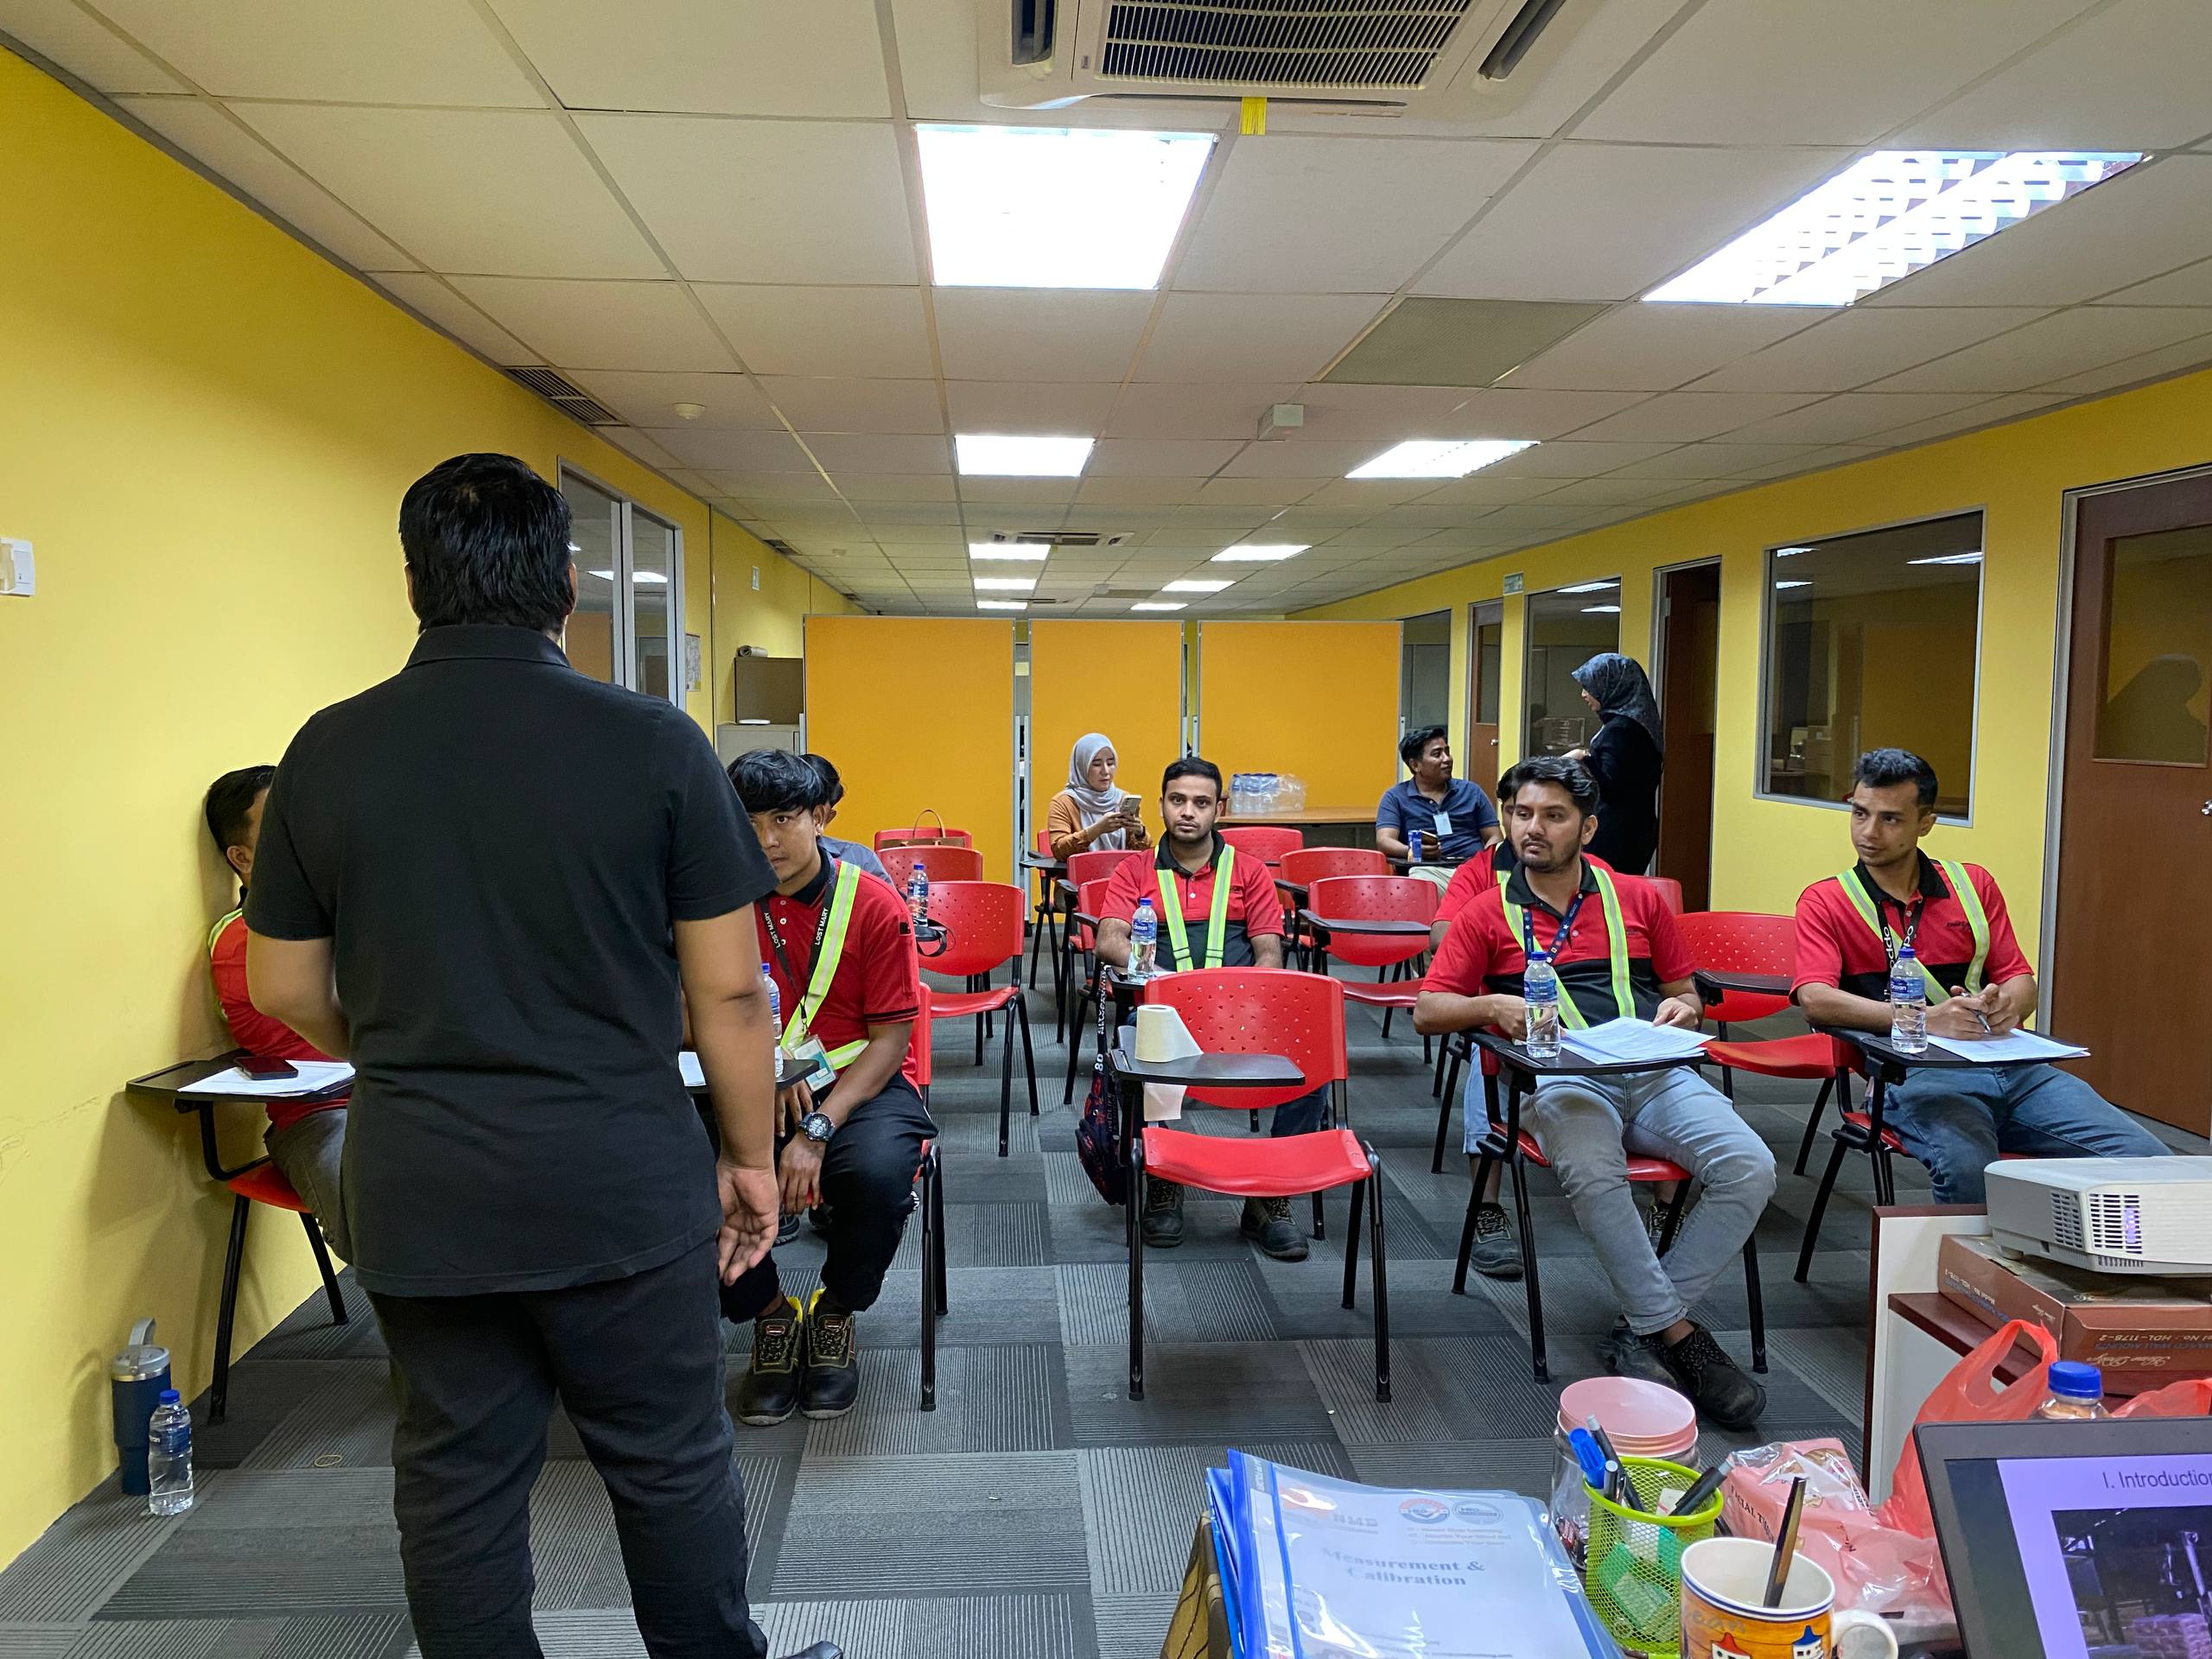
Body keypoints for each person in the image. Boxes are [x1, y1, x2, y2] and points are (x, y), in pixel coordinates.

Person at [243, 453, 834, 1659]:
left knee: (456, 1478)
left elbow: (286, 987)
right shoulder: (655, 743)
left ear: (413, 582)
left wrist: (408, 1049)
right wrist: (747, 1159)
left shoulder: (327, 749)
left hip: (419, 1179)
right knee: (668, 1463)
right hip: (613, 1173)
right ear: (568, 583)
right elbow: (729, 991)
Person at [1414, 756, 1773, 1428]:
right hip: (1558, 1080)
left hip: (1652, 1071)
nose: (1533, 828)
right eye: (1522, 814)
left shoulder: (1638, 899)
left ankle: (1647, 1325)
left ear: (1587, 828)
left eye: (1553, 816)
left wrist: (1685, 1010)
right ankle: (1681, 1338)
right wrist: (1491, 1004)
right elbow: (1428, 1011)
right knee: (1594, 1171)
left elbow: (1684, 992)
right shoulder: (1487, 912)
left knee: (1750, 1167)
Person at [1792, 747, 2165, 1205]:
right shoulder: (1826, 901)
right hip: (1914, 1075)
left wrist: (2008, 1005)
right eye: (1860, 814)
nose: (1868, 833)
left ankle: (2078, 1249)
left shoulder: (1972, 885)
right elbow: (1816, 999)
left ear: (1926, 823)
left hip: (2014, 1067)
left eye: (1890, 819)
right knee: (1971, 1173)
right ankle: (1974, 1255)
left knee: (2152, 1163)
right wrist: (1925, 1020)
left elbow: (2020, 980)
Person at [723, 748, 932, 1426]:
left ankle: (835, 1308)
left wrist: (817, 1129)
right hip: (750, 1078)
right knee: (680, 1169)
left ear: (820, 818)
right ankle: (769, 1313)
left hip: (857, 1083)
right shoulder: (718, 904)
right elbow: (694, 1014)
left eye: (783, 819)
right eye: (749, 822)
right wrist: (766, 1071)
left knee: (876, 1174)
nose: (766, 840)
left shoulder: (873, 904)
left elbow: (891, 1041)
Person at [1096, 756, 1324, 1262]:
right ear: (1161, 804)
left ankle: (1269, 1194)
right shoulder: (1135, 870)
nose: (1188, 812)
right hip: (1163, 1012)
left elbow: (1269, 954)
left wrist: (1249, 1005)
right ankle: (1162, 1178)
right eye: (1177, 800)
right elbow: (1109, 941)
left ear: (1218, 809)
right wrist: (1163, 979)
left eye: (1201, 803)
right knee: (1135, 1039)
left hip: (1240, 1015)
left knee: (1314, 1059)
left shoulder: (1249, 871)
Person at [202, 765, 351, 1262]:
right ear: (242, 857)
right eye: (279, 825)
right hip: (319, 1117)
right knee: (379, 1210)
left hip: (395, 1098)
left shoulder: (340, 911)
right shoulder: (241, 939)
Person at [1569, 652, 1664, 874]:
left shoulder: (1622, 731)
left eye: (1590, 687)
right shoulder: (1637, 725)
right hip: (1633, 829)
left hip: (1616, 835)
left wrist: (1582, 759)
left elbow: (1613, 789)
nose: (1584, 694)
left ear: (1612, 686)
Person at [1375, 724, 1500, 890]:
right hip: (1429, 870)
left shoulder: (1471, 791)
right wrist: (1414, 851)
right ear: (1415, 765)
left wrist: (1484, 863)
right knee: (1421, 881)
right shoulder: (1395, 797)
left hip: (1473, 870)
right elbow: (1385, 841)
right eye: (1437, 754)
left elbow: (1495, 836)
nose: (1447, 759)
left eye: (1447, 752)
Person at [1047, 733, 1150, 857]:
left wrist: (1139, 833)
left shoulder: (1122, 799)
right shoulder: (1064, 802)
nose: (1105, 771)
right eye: (1096, 764)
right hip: (1081, 870)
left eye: (1111, 763)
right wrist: (1097, 830)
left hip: (1121, 868)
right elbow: (1059, 851)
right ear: (1082, 766)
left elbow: (1141, 854)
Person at [802, 752, 893, 884]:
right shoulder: (771, 863)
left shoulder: (859, 860)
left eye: (816, 815)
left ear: (826, 818)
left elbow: (888, 897)